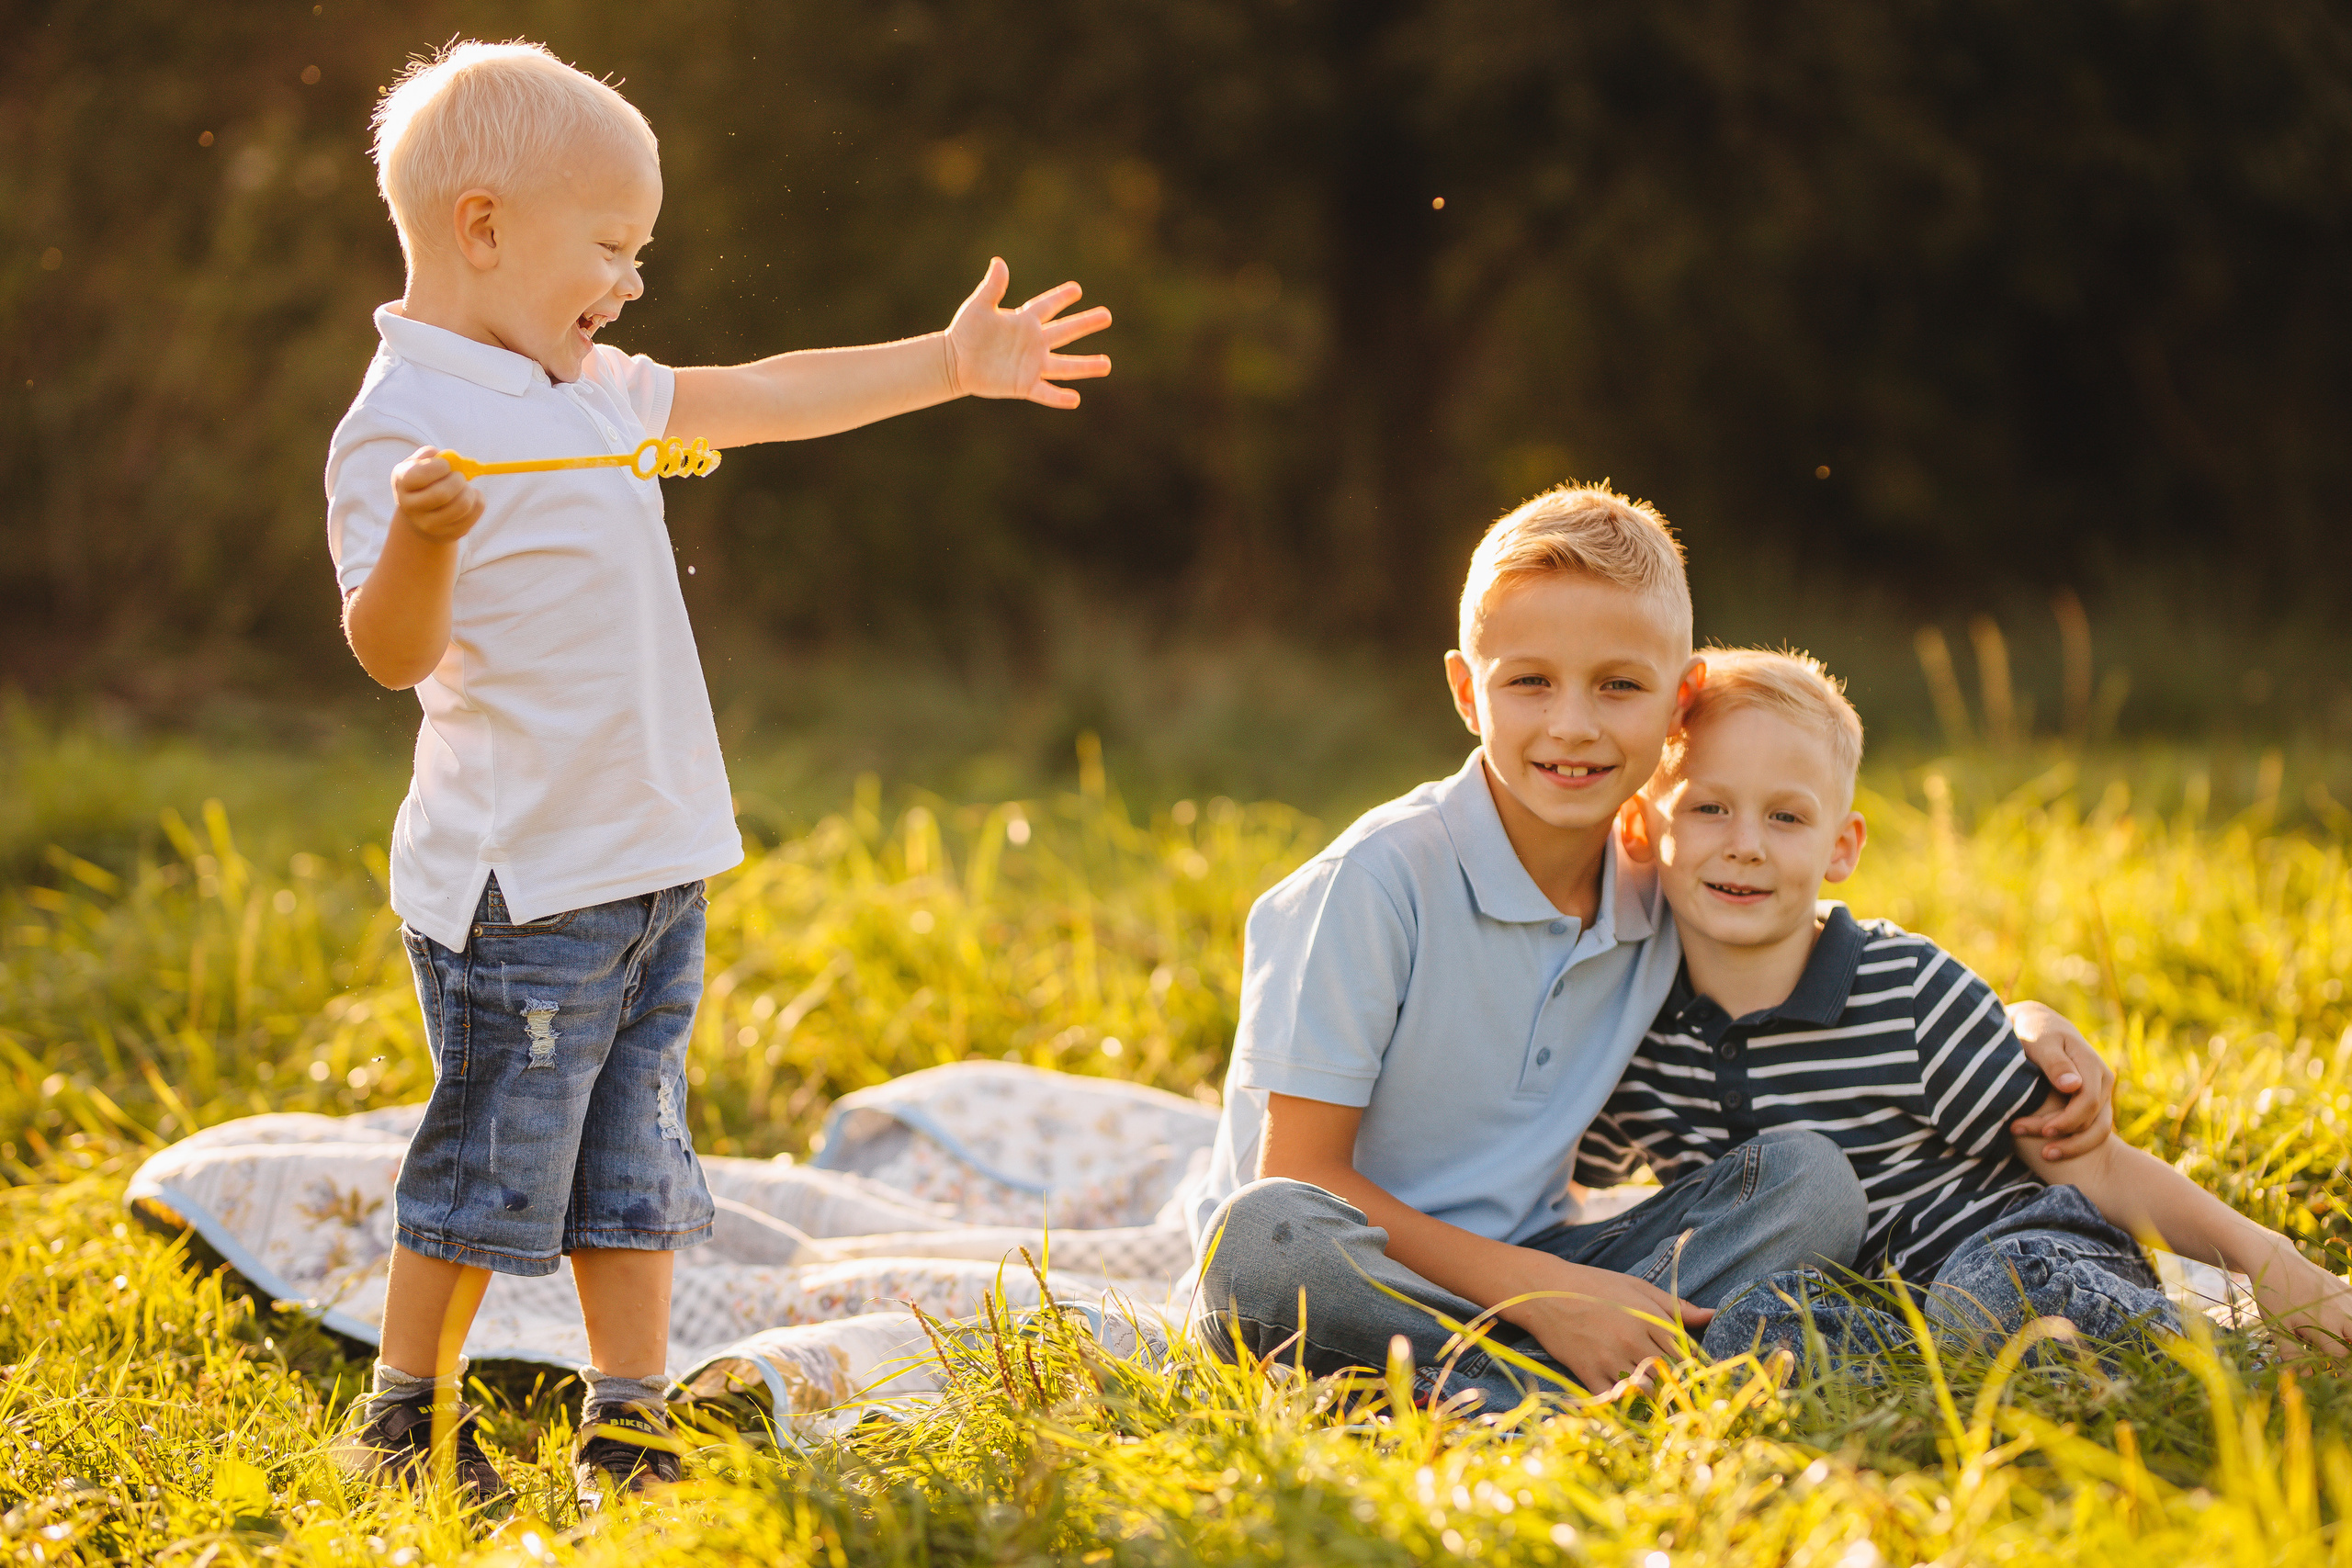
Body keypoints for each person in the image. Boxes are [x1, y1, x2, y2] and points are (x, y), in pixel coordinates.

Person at [325, 41, 1111, 1509]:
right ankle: (401, 1414)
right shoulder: (404, 423)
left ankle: (627, 1410)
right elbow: (387, 649)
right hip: (527, 883)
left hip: (645, 865)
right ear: (483, 228)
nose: (629, 282)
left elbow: (765, 389)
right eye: (611, 247)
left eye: (640, 252)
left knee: (637, 1157)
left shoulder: (593, 390)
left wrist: (947, 365)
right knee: (493, 1160)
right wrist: (423, 539)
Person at [1182, 486, 2115, 1408]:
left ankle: (1489, 1391)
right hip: (1361, 1273)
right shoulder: (1375, 883)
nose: (1574, 725)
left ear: (1680, 701)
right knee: (1264, 1239)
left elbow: (1827, 950)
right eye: (1529, 681)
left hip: (1557, 1256)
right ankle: (1543, 1388)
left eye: (1619, 685)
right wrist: (1545, 1302)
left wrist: (2018, 1022)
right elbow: (1299, 1174)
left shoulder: (1665, 881)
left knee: (1810, 1182)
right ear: (1468, 692)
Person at [1581, 647, 2352, 1361]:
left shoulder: (1904, 989)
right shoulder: (1633, 1029)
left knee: (1987, 1296)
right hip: (1881, 1312)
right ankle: (1941, 1387)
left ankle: (2232, 1348)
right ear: (1641, 828)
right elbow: (1565, 1183)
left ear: (1841, 847)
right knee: (1748, 1324)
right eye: (1709, 807)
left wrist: (2270, 1261)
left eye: (1786, 816)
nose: (1745, 842)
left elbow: (2097, 1163)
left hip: (2022, 1250)